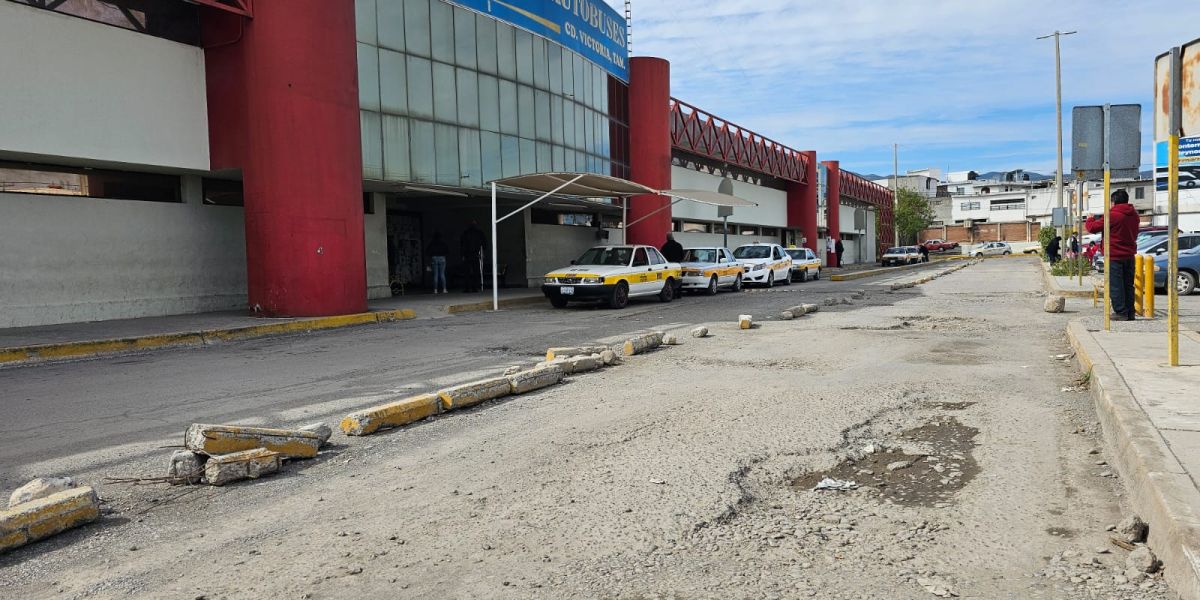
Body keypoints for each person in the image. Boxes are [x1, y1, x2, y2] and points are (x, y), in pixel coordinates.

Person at [1086, 189, 1140, 321]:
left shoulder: (1113, 215)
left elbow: (1092, 228)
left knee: (1116, 285)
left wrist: (1090, 218)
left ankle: (1121, 312)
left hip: (1114, 255)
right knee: (1128, 284)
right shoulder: (1134, 215)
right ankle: (1130, 312)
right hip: (1129, 255)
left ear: (1113, 201)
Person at [460, 221, 486, 293]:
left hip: (467, 254)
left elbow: (462, 245)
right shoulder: (479, 233)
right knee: (476, 271)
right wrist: (482, 252)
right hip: (475, 254)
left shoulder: (465, 233)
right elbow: (483, 243)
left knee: (467, 272)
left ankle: (467, 288)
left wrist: (462, 255)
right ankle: (475, 287)